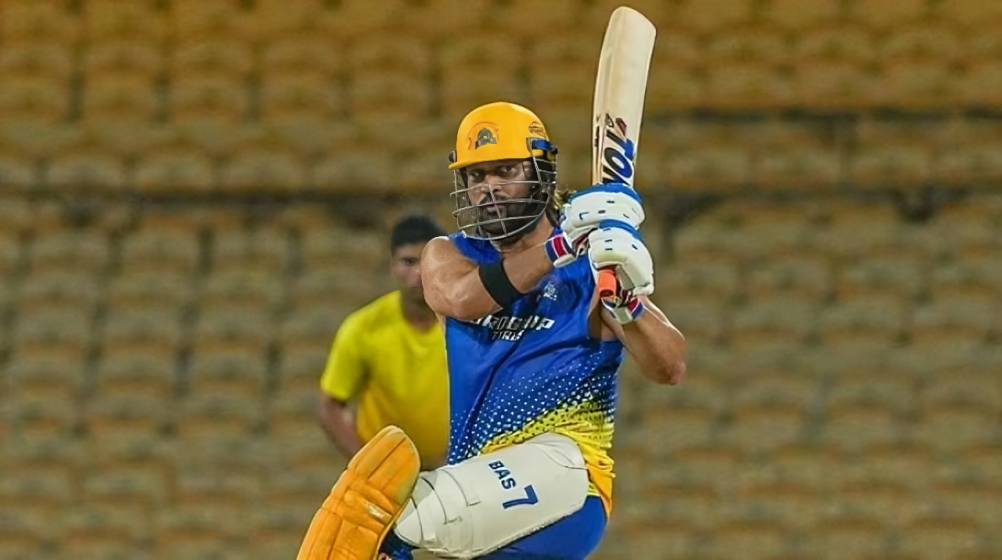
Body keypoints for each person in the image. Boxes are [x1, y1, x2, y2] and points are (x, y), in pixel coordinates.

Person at [298, 102, 686, 560]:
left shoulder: (591, 268)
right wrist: (560, 246)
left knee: (378, 514)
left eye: (506, 170)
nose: (490, 187)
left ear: (542, 172)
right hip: (482, 494)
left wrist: (625, 301)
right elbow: (464, 299)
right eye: (476, 175)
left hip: (565, 478)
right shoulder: (448, 255)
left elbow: (670, 367)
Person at [316, 215, 450, 470]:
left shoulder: (470, 323)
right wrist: (367, 464)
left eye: (428, 261)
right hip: (387, 472)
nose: (419, 273)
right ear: (392, 266)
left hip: (455, 469)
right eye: (408, 262)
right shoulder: (364, 328)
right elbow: (330, 405)